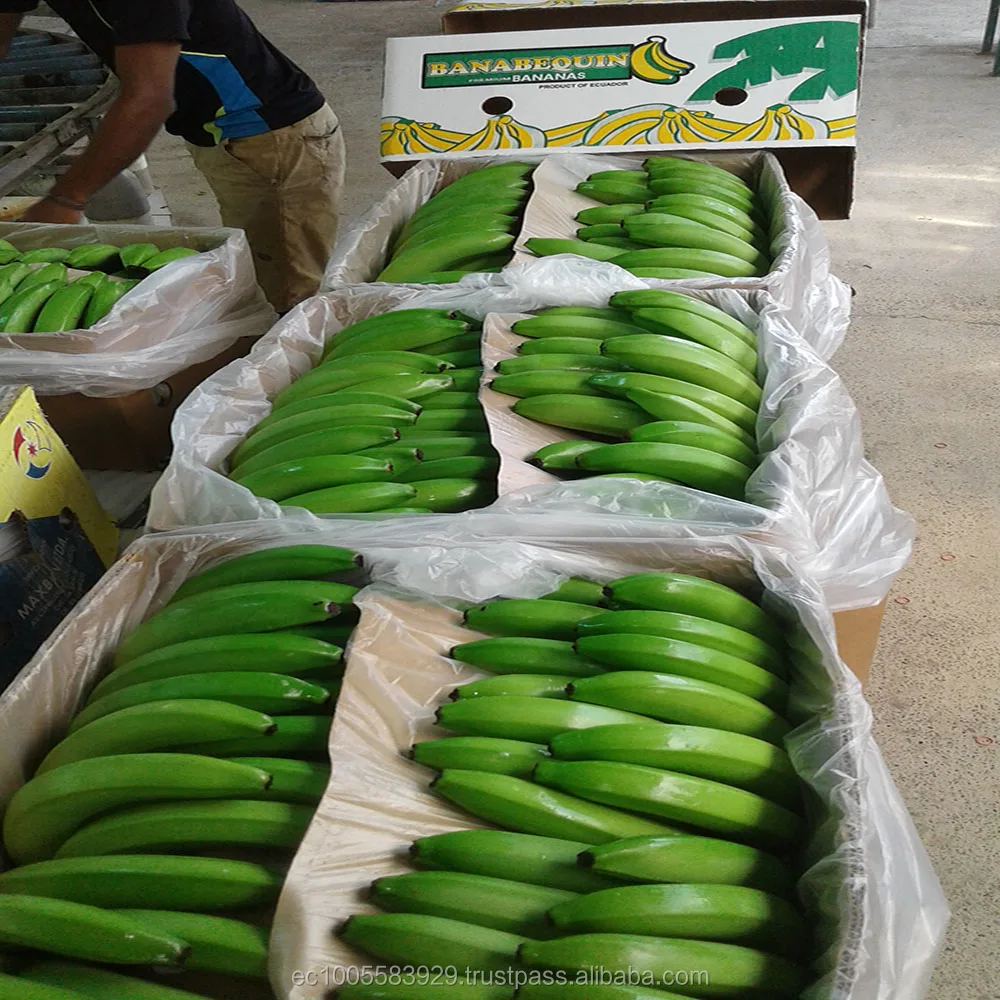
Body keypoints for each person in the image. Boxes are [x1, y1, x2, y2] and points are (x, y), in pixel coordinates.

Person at [0, 0, 345, 312]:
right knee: (257, 281)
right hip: (220, 136)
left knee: (289, 302)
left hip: (273, 135)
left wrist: (67, 199)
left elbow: (149, 101)